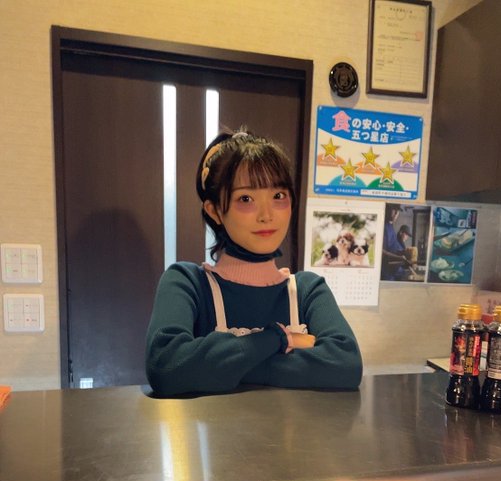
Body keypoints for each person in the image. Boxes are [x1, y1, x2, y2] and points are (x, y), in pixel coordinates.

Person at [145, 128, 362, 397]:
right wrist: (279, 338)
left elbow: (346, 366)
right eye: (245, 199)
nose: (267, 215)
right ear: (215, 211)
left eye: (278, 196)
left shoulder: (306, 289)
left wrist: (221, 366)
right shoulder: (188, 283)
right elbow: (166, 367)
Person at [381, 207, 412, 280]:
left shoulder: (391, 226)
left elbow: (392, 248)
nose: (396, 214)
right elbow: (381, 250)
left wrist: (405, 252)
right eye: (394, 210)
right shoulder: (384, 227)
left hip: (392, 272)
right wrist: (399, 257)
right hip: (387, 272)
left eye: (397, 212)